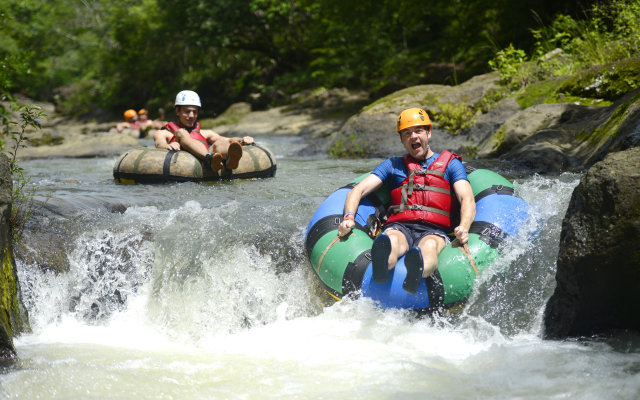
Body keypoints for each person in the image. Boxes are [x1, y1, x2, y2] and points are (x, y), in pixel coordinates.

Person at [337, 107, 476, 294]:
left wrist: (464, 227)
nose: (414, 137)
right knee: (392, 240)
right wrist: (348, 217)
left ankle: (416, 270)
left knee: (429, 246)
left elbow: (466, 197)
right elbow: (358, 190)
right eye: (407, 133)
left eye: (419, 131)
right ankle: (383, 265)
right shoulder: (393, 165)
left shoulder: (451, 164)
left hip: (434, 230)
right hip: (400, 226)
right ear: (402, 139)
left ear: (429, 132)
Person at [153, 90, 254, 171]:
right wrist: (167, 146)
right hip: (184, 162)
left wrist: (242, 140)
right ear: (177, 111)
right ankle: (209, 158)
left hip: (210, 159)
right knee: (181, 132)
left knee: (220, 141)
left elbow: (229, 140)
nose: (191, 116)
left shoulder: (205, 133)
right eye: (187, 112)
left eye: (195, 112)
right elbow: (159, 143)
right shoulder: (164, 133)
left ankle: (230, 160)